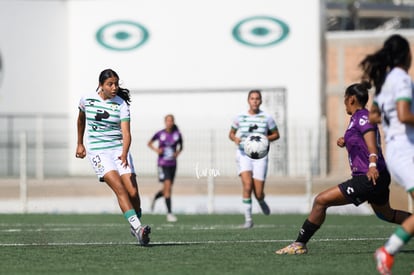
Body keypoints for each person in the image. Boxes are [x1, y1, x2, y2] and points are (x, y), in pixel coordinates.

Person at [275, 81, 411, 255]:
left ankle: (299, 244)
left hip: (369, 176)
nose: (344, 102)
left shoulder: (362, 117)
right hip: (379, 176)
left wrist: (371, 165)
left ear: (352, 99)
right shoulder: (357, 118)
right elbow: (362, 138)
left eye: (345, 99)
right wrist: (346, 140)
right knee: (386, 214)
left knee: (320, 201)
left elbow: (372, 145)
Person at [76, 68, 151, 246]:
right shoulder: (86, 99)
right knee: (120, 188)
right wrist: (80, 143)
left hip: (119, 150)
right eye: (110, 84)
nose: (114, 87)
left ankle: (135, 222)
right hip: (99, 152)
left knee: (133, 192)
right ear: (100, 85)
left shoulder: (121, 104)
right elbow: (80, 120)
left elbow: (126, 133)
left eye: (116, 83)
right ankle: (138, 228)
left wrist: (124, 153)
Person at [359, 34, 414, 275]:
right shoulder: (402, 78)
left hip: (396, 151)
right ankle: (388, 251)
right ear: (406, 55)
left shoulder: (384, 83)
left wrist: (389, 118)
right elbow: (403, 114)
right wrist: (398, 118)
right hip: (405, 151)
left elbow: (373, 116)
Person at [228, 89, 280, 229]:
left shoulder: (267, 118)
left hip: (260, 157)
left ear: (261, 101)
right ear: (248, 100)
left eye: (257, 98)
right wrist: (235, 138)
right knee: (247, 185)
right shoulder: (240, 117)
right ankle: (248, 220)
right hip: (243, 154)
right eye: (252, 98)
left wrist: (263, 139)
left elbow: (276, 134)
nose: (255, 101)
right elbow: (231, 133)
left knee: (258, 192)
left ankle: (261, 200)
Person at [148, 114, 183, 222]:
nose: (169, 123)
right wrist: (157, 150)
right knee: (168, 189)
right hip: (162, 164)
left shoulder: (177, 134)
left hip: (173, 164)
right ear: (165, 122)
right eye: (167, 121)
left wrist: (177, 152)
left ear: (173, 122)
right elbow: (149, 143)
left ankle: (154, 197)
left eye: (171, 121)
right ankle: (169, 213)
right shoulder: (160, 133)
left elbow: (181, 146)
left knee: (166, 189)